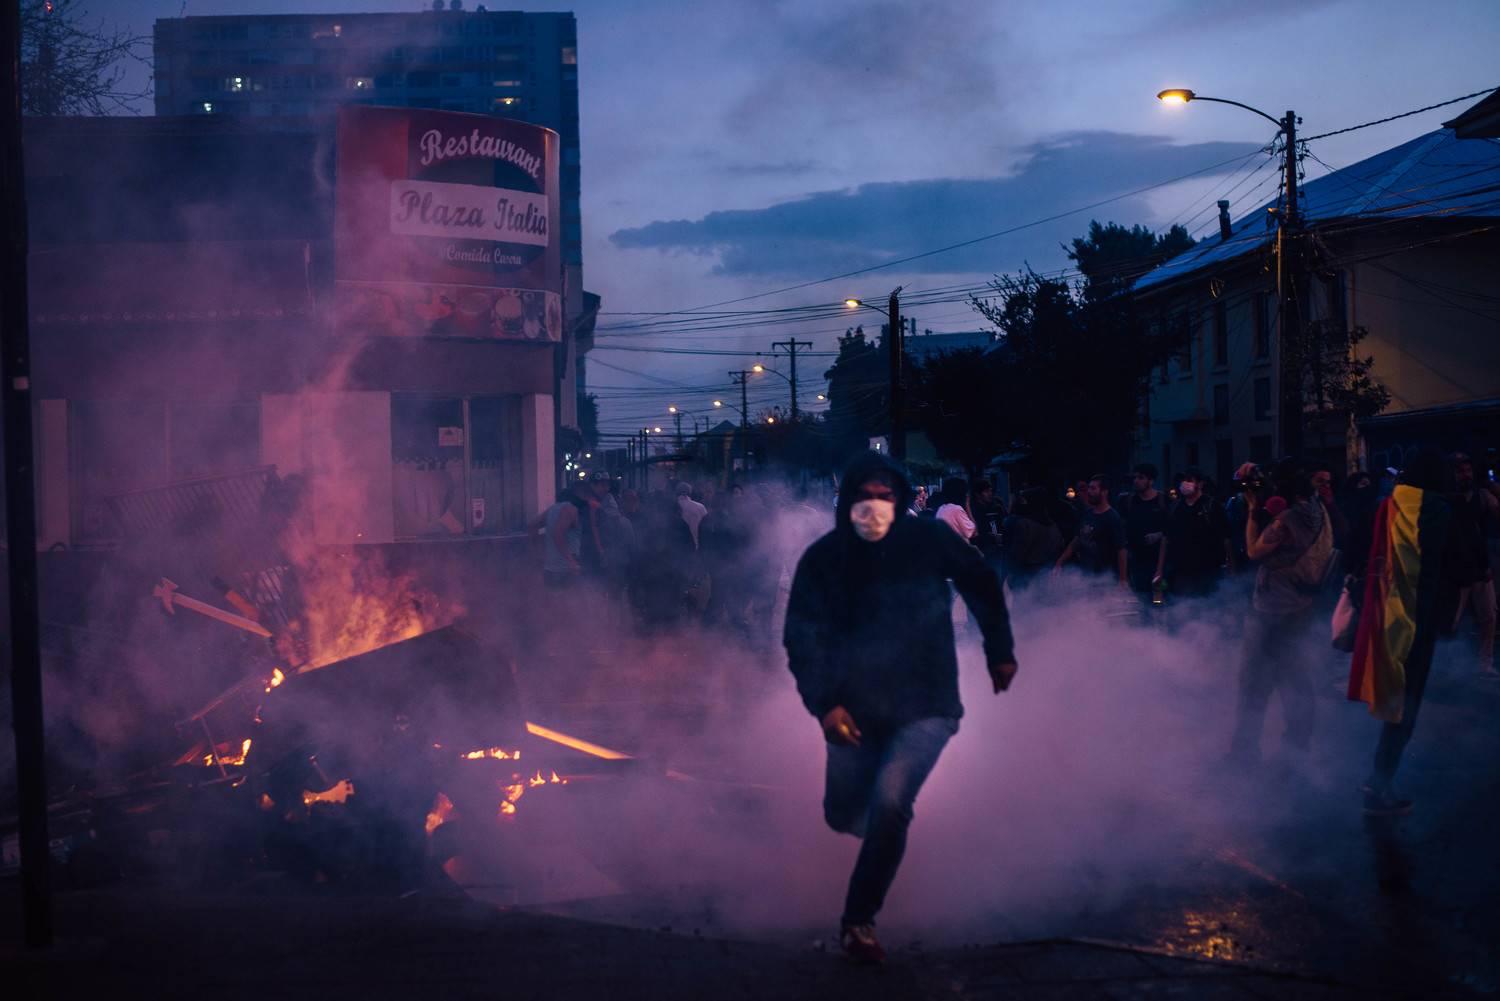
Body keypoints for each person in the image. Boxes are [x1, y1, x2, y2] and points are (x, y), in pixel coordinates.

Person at [784, 452, 1018, 965]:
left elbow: (980, 581)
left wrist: (999, 650)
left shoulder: (929, 540)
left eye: (885, 496)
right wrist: (826, 707)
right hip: (855, 709)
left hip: (928, 703)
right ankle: (881, 841)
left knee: (890, 803)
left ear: (901, 499)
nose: (875, 505)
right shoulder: (825, 558)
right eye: (864, 496)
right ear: (847, 502)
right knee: (843, 813)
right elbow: (801, 639)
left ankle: (858, 922)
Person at [1349, 449, 1455, 814]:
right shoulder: (1440, 510)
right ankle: (1379, 785)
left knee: (1394, 696)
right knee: (1406, 705)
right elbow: (1450, 565)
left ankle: (1378, 779)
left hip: (1387, 613)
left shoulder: (1388, 506)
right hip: (1419, 619)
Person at [1229, 459, 1332, 765]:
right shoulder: (1319, 511)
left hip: (1272, 609)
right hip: (1301, 606)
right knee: (1296, 681)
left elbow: (1253, 551)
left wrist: (1252, 511)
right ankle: (1294, 755)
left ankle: (1244, 754)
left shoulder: (1286, 520)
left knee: (1254, 683)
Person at [1445, 452, 1497, 678]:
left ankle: (1485, 663)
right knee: (1452, 619)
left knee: (1489, 616)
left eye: (1468, 470)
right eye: (1460, 471)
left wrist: (1491, 487)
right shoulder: (1445, 499)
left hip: (1479, 566)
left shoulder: (1481, 496)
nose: (1465, 475)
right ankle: (1445, 665)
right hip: (1455, 569)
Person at [1155, 468, 1230, 599]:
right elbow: (1165, 539)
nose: (1185, 483)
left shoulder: (1212, 506)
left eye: (1189, 480)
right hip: (1181, 573)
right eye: (1183, 480)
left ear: (1200, 484)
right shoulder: (1175, 508)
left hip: (1208, 572)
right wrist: (1159, 570)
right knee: (1182, 606)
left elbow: (1226, 539)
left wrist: (1231, 568)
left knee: (1208, 606)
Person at [1053, 474, 1127, 587]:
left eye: (1093, 488)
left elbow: (1121, 550)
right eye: (1089, 488)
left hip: (1105, 578)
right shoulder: (1088, 514)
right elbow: (1078, 539)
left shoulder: (1112, 517)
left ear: (1104, 492)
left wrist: (1122, 580)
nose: (1089, 492)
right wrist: (1060, 562)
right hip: (1086, 575)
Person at [1119, 463, 1170, 598]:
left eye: (1141, 478)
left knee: (1159, 599)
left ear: (1151, 481)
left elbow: (1171, 530)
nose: (1136, 481)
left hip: (1159, 563)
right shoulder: (1129, 501)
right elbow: (1123, 532)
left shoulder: (1163, 501)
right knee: (1141, 600)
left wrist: (1158, 535)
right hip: (1137, 564)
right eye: (1135, 477)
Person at [999, 487, 1064, 591]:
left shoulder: (1024, 524)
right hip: (1045, 574)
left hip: (1025, 576)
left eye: (1024, 501)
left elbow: (1018, 553)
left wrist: (1009, 574)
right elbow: (1058, 549)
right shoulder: (1053, 526)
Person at [970, 478, 1006, 568]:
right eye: (986, 491)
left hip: (998, 550)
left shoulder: (996, 507)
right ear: (977, 494)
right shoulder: (973, 510)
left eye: (990, 491)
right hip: (981, 550)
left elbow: (1004, 523)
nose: (990, 494)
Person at [675, 480, 708, 549]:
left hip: (680, 544)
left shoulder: (674, 506)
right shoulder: (700, 506)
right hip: (699, 542)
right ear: (690, 492)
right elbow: (706, 524)